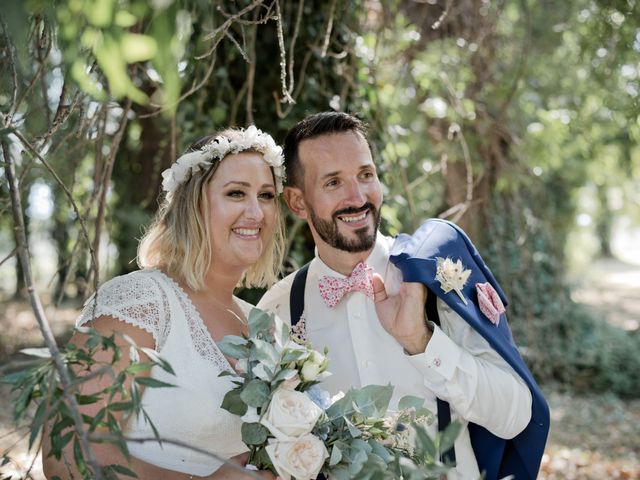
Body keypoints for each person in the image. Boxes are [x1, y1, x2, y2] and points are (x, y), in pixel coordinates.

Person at [257, 112, 549, 480]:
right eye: (333, 182)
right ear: (298, 203)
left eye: (366, 175)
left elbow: (516, 416)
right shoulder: (278, 310)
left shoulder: (437, 276)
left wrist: (422, 342)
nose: (358, 197)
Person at [42, 126, 286, 479]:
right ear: (193, 206)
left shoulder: (268, 328)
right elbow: (66, 454)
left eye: (266, 195)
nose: (257, 212)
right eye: (236, 193)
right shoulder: (140, 303)